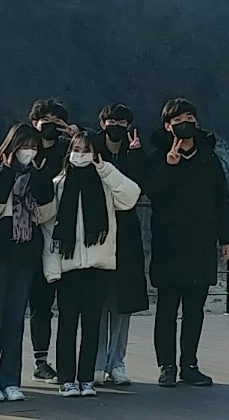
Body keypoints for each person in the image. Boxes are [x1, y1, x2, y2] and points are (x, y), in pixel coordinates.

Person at [35, 129, 141, 398]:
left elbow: (131, 196)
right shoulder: (59, 184)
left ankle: (86, 379)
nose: (80, 155)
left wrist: (106, 169)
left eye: (86, 150)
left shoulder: (106, 184)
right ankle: (66, 379)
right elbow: (45, 224)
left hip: (99, 265)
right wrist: (52, 267)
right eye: (76, 150)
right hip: (68, 266)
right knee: (67, 324)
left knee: (92, 325)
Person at [146, 98, 229, 388]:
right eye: (179, 120)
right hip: (169, 243)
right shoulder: (158, 156)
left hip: (201, 242)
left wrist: (226, 238)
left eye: (190, 118)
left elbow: (221, 199)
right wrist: (169, 166)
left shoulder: (209, 157)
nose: (186, 124)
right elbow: (151, 192)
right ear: (167, 126)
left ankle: (189, 364)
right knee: (167, 308)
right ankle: (167, 365)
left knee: (195, 309)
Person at [0, 124, 55, 403]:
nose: (29, 152)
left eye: (33, 147)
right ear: (12, 146)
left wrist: (40, 179)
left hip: (25, 257)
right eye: (24, 146)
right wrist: (5, 176)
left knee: (16, 321)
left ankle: (10, 380)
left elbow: (45, 214)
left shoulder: (36, 175)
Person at [91, 103, 149, 386]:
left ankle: (117, 362)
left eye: (121, 122)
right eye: (111, 121)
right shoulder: (92, 150)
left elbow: (142, 187)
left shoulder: (134, 152)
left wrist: (136, 156)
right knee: (97, 301)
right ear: (102, 124)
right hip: (98, 230)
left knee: (122, 303)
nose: (116, 126)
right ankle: (96, 362)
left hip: (126, 234)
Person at [26, 98, 76, 382]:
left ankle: (67, 362)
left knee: (66, 304)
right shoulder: (25, 149)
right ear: (34, 123)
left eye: (57, 122)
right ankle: (40, 360)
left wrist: (76, 137)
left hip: (65, 233)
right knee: (39, 304)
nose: (50, 126)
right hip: (32, 234)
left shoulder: (69, 150)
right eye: (46, 120)